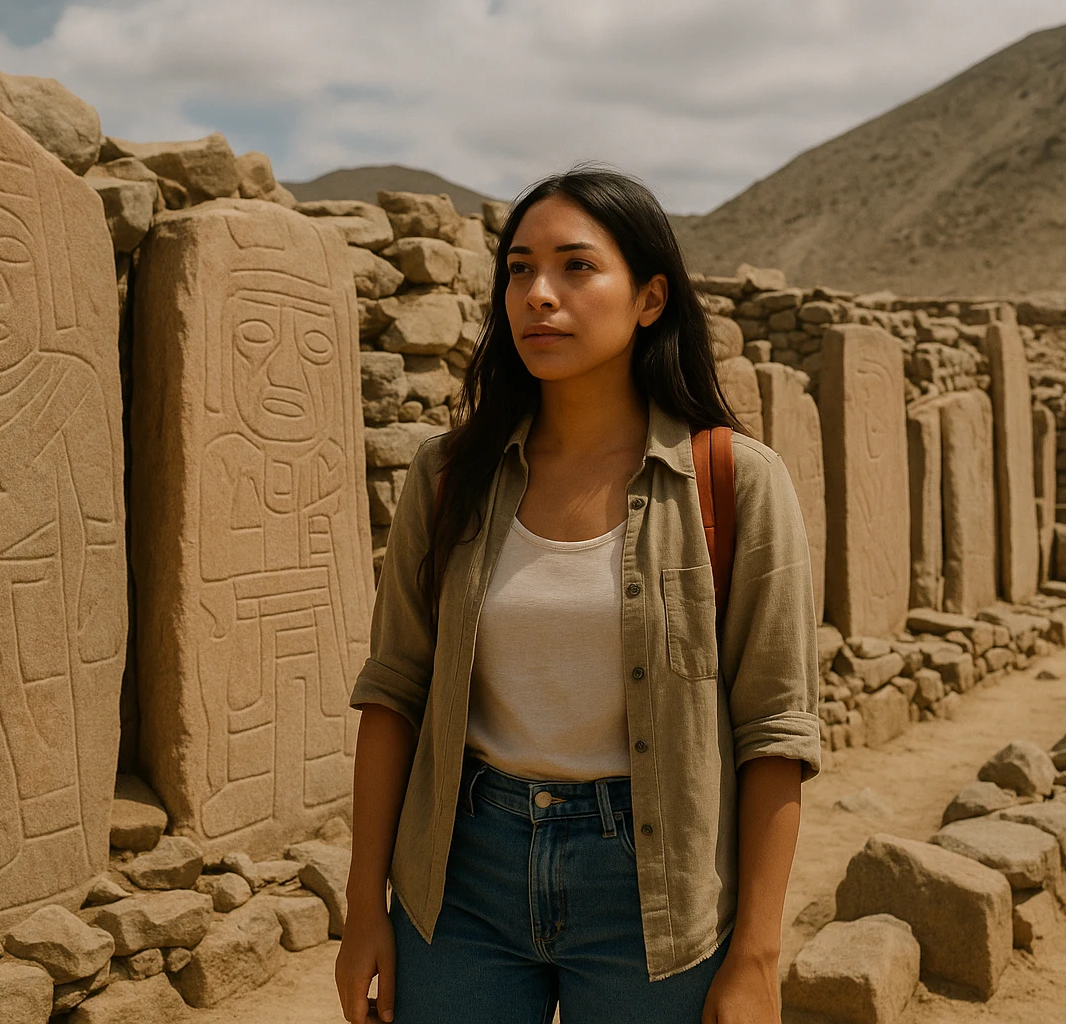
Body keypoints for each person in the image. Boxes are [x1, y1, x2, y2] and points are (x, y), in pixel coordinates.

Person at [335, 165, 821, 1024]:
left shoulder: (734, 483)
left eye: (576, 266)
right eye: (519, 269)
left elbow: (775, 729)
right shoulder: (447, 477)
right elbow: (395, 691)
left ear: (650, 298)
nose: (538, 296)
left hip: (655, 886)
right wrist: (364, 907)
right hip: (460, 881)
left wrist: (757, 953)